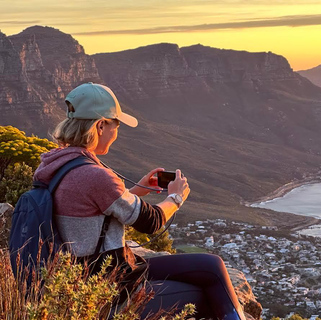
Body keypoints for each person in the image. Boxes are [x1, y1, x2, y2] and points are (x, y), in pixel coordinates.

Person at [33, 82, 246, 320]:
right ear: (101, 126)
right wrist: (176, 197)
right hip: (108, 289)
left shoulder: (55, 165)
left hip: (79, 277)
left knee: (211, 265)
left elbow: (93, 206)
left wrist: (137, 190)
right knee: (205, 290)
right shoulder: (94, 174)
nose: (117, 132)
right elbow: (151, 222)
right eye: (116, 125)